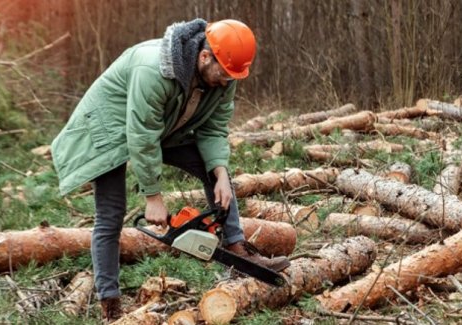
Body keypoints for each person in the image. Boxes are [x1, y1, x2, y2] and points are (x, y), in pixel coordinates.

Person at [51, 18, 290, 322]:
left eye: (234, 76)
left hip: (164, 127)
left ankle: (237, 249)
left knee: (215, 172)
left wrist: (219, 173)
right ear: (205, 57)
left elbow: (214, 129)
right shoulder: (154, 69)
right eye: (225, 74)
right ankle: (109, 303)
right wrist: (153, 196)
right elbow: (141, 134)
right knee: (111, 214)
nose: (228, 81)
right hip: (109, 130)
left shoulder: (224, 75)